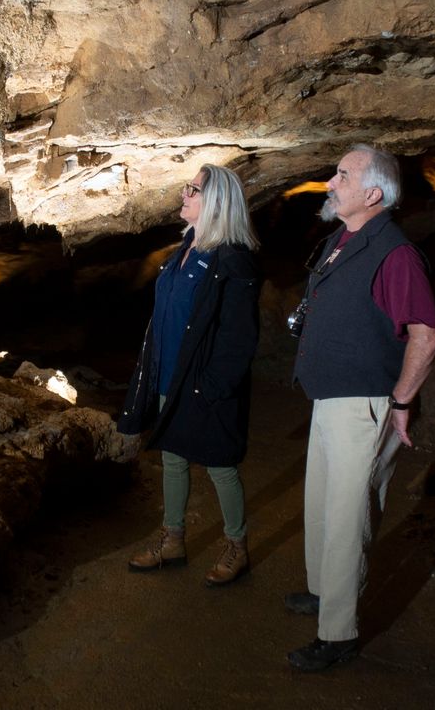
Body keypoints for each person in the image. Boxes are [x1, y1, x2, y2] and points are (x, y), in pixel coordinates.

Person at [284, 144, 435, 672]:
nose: (330, 182)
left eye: (343, 176)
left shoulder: (393, 254)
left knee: (349, 517)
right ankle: (324, 593)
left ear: (373, 193)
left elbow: (426, 334)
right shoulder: (340, 240)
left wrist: (400, 401)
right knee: (322, 505)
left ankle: (339, 632)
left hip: (364, 403)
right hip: (329, 398)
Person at [118, 164, 261, 586]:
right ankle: (173, 539)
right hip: (170, 378)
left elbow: (239, 337)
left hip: (203, 384)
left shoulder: (232, 260)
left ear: (214, 201)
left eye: (192, 189)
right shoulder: (183, 249)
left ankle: (237, 545)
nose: (183, 194)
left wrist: (214, 387)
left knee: (220, 465)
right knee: (173, 459)